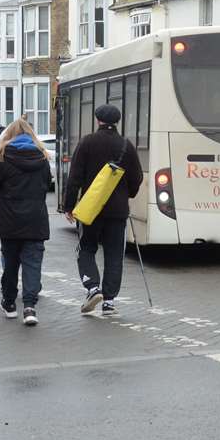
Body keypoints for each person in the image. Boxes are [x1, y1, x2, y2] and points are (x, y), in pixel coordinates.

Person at [63, 104, 143, 317]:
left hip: (91, 209)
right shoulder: (126, 145)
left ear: (98, 120)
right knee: (114, 254)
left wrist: (69, 206)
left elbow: (74, 178)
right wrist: (128, 193)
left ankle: (92, 288)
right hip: (117, 210)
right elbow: (137, 178)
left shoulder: (87, 142)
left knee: (86, 248)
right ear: (116, 121)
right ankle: (109, 301)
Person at [0, 118, 52, 326]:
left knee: (11, 263)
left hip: (9, 218)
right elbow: (46, 184)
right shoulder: (42, 157)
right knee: (33, 263)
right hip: (35, 218)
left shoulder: (3, 157)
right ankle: (30, 307)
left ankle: (10, 302)